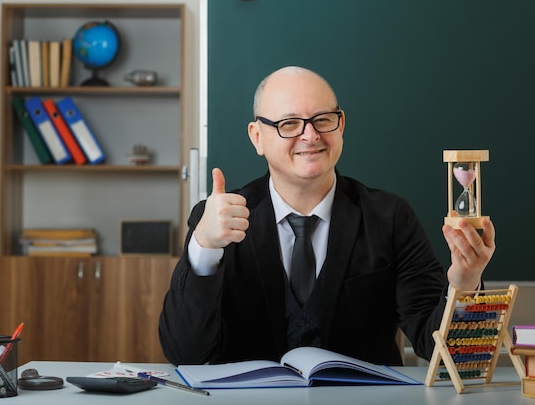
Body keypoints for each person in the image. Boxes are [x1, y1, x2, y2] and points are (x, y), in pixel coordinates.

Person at [159, 66, 495, 366]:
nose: (310, 135)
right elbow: (185, 354)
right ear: (257, 136)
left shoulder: (390, 216)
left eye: (323, 119)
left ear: (341, 124)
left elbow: (444, 350)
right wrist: (204, 249)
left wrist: (464, 285)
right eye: (289, 123)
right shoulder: (218, 220)